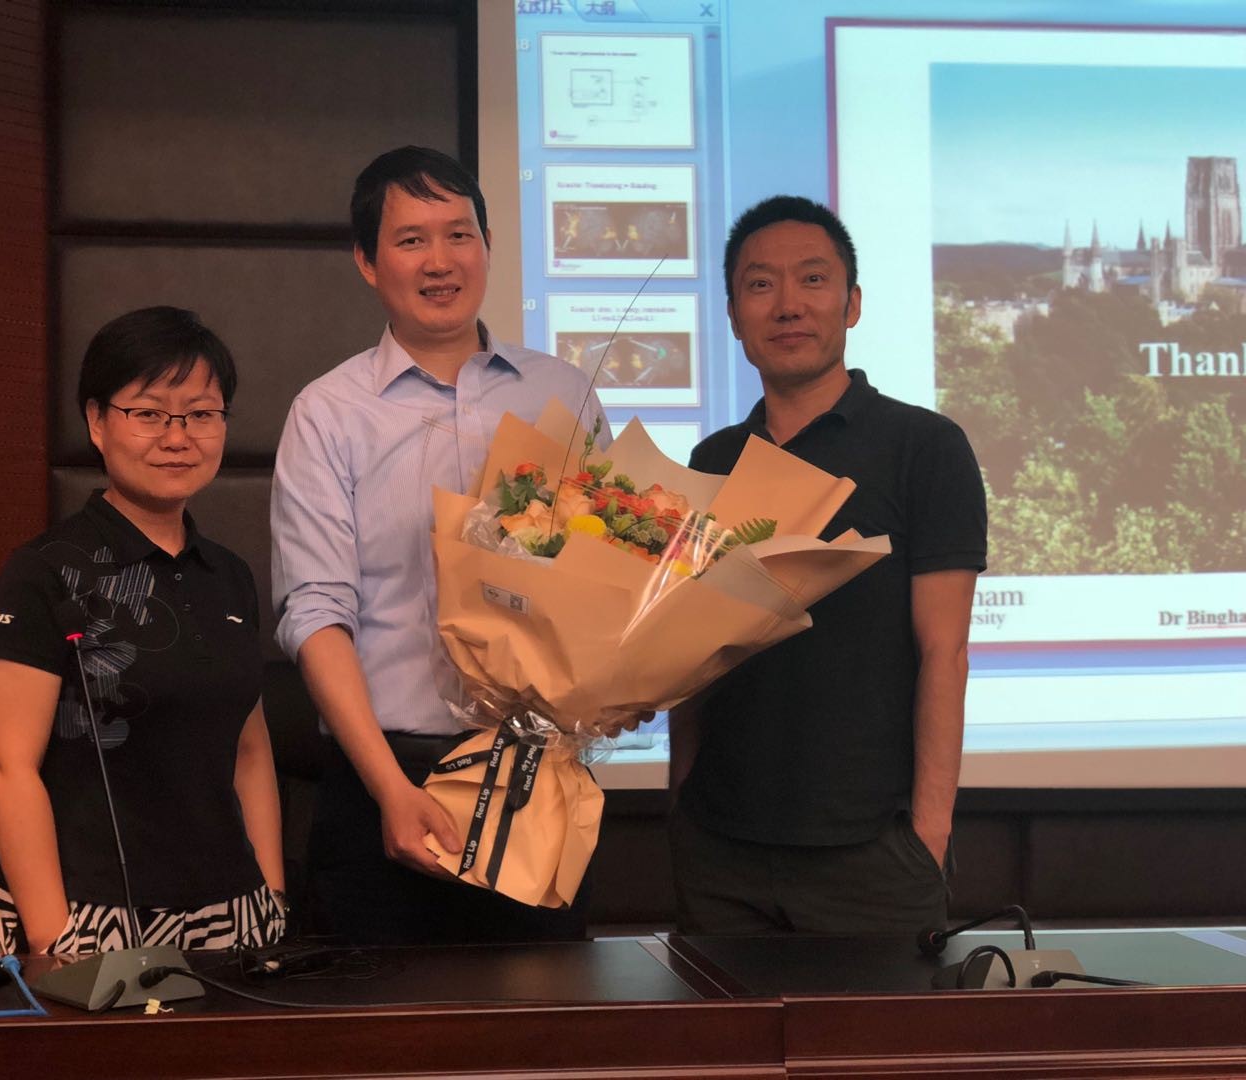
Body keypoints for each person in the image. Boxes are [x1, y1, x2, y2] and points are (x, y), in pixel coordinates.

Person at [271, 146, 608, 945]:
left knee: (547, 1018)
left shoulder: (562, 394)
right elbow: (315, 613)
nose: (440, 261)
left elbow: (609, 580)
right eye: (411, 239)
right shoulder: (328, 413)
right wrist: (390, 788)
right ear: (367, 261)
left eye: (459, 235)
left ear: (489, 246)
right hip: (383, 784)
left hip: (537, 783)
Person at [668, 196, 986, 935]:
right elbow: (690, 653)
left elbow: (945, 650)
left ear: (853, 304)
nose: (788, 305)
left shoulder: (925, 447)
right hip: (719, 852)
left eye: (813, 280)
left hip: (873, 856)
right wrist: (680, 798)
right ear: (733, 315)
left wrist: (929, 835)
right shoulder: (713, 460)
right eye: (760, 285)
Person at [0, 306, 287, 955]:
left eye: (201, 414)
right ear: (97, 421)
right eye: (149, 413)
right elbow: (7, 765)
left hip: (236, 912)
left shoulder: (229, 575)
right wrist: (54, 939)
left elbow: (250, 750)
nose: (178, 437)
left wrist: (273, 898)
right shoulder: (44, 572)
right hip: (91, 918)